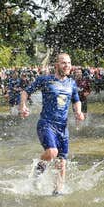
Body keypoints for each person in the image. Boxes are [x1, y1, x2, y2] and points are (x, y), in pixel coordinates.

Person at [19, 53, 84, 195]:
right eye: (63, 63)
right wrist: (23, 106)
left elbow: (76, 100)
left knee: (61, 161)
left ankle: (57, 191)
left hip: (63, 126)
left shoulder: (71, 83)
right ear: (56, 65)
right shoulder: (45, 80)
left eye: (68, 63)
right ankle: (36, 174)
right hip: (46, 123)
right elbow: (25, 92)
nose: (67, 66)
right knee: (52, 152)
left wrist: (78, 112)